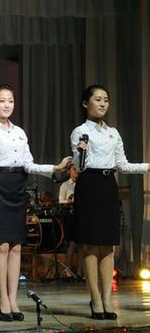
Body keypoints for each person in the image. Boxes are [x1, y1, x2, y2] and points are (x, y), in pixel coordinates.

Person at [0, 84, 70, 322]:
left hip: (16, 186)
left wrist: (55, 167)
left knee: (17, 246)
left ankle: (13, 299)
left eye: (10, 101)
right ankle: (2, 299)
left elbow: (29, 165)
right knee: (1, 246)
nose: (7, 105)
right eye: (2, 101)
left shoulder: (20, 132)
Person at [71, 84, 149, 320]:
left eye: (106, 99)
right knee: (91, 245)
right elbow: (79, 165)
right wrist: (80, 152)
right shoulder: (80, 131)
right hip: (88, 185)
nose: (103, 103)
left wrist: (147, 166)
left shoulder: (113, 132)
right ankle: (95, 299)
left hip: (108, 186)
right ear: (86, 103)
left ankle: (107, 299)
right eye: (98, 99)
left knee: (108, 246)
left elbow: (123, 165)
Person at [58, 165, 82, 278]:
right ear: (69, 171)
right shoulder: (65, 185)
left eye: (77, 169)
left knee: (82, 244)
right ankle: (68, 270)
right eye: (74, 169)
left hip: (81, 215)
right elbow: (60, 201)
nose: (76, 171)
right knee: (72, 244)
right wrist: (68, 201)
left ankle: (80, 271)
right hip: (70, 216)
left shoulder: (83, 184)